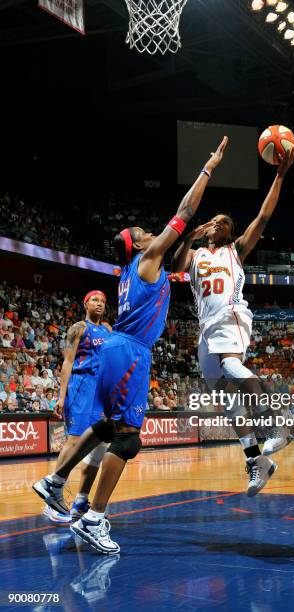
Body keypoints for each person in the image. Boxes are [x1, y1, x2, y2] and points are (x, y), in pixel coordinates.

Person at [33, 136, 228, 554]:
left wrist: (192, 236)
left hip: (117, 349)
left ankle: (54, 480)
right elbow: (183, 211)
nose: (149, 231)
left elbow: (180, 262)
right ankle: (95, 518)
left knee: (105, 427)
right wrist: (208, 168)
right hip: (130, 351)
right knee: (128, 440)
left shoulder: (137, 269)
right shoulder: (147, 256)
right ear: (139, 244)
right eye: (142, 232)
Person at [172, 150, 294, 496]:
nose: (216, 223)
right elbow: (177, 266)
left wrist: (280, 177)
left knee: (231, 366)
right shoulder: (195, 254)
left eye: (223, 222)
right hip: (206, 328)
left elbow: (264, 216)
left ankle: (276, 422)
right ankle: (258, 461)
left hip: (232, 317)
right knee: (225, 401)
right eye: (213, 220)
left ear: (230, 232)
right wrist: (188, 236)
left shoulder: (236, 250)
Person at [41, 290, 112, 523]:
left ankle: (81, 500)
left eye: (102, 301)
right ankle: (51, 499)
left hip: (101, 390)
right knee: (74, 442)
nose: (99, 304)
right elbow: (68, 362)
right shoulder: (78, 328)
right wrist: (61, 398)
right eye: (94, 300)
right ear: (85, 304)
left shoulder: (108, 329)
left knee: (99, 442)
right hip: (81, 387)